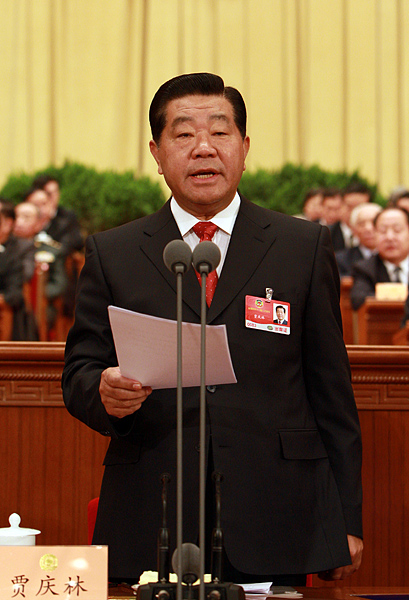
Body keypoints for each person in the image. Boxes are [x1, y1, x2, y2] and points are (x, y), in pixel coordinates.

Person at [62, 73, 363, 586]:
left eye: (220, 132)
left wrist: (347, 520)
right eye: (183, 134)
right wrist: (104, 392)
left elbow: (331, 393)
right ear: (156, 153)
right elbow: (80, 374)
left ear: (244, 148)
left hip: (279, 512)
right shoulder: (114, 253)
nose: (204, 148)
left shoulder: (302, 246)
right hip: (153, 510)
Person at [350, 206, 409, 310]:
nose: (389, 237)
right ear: (375, 234)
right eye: (382, 231)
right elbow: (358, 299)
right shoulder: (364, 268)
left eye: (397, 230)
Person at [335, 202, 381, 277]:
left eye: (373, 223)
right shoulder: (340, 260)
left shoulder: (393, 257)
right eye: (362, 224)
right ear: (353, 229)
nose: (368, 228)